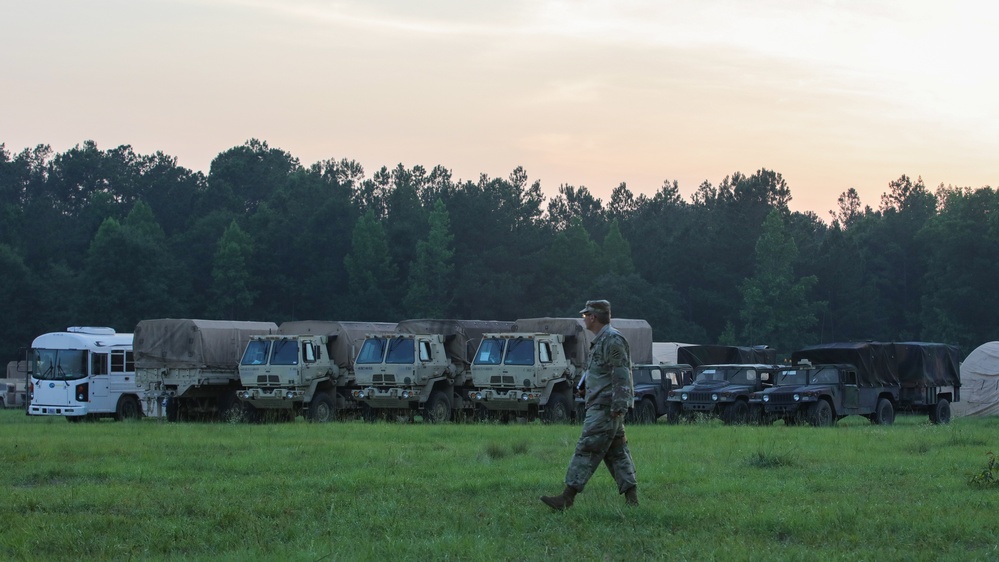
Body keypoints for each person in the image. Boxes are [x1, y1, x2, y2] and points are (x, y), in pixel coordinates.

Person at [540, 299, 638, 510]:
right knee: (617, 453)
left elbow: (621, 375)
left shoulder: (612, 340)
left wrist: (618, 406)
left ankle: (567, 497)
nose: (584, 319)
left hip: (606, 408)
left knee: (586, 448)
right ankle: (632, 500)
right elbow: (602, 373)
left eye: (586, 315)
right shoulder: (602, 340)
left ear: (593, 317)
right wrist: (587, 388)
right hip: (603, 404)